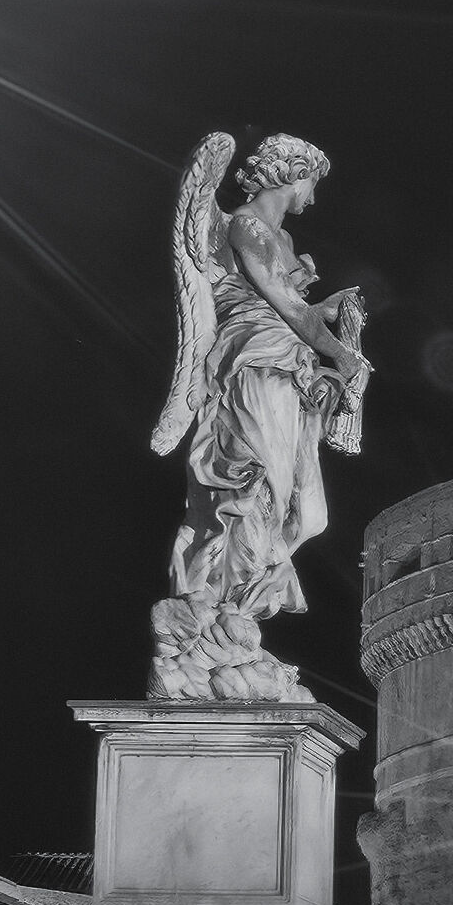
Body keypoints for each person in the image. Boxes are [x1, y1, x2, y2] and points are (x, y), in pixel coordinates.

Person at [153, 133, 370, 701]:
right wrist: (341, 353)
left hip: (288, 368)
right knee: (253, 489)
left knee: (310, 517)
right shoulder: (246, 226)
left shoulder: (283, 236)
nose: (313, 198)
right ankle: (212, 617)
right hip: (254, 366)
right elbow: (285, 304)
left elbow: (293, 307)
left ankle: (236, 609)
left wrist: (335, 312)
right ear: (289, 173)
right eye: (311, 183)